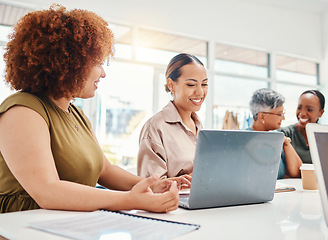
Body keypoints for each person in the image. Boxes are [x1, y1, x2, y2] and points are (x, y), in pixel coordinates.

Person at [0, 5, 189, 213]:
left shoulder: (76, 114)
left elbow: (105, 170)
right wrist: (131, 200)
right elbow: (47, 191)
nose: (103, 73)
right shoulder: (22, 111)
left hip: (67, 224)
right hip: (22, 225)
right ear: (69, 64)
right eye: (98, 63)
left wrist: (154, 185)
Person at [137, 53, 208, 179]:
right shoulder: (155, 128)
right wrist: (193, 178)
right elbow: (152, 186)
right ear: (171, 85)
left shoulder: (198, 125)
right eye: (191, 85)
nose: (200, 92)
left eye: (204, 84)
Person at [248, 88, 302, 178]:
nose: (283, 118)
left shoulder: (277, 137)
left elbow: (297, 172)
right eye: (280, 114)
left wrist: (286, 144)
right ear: (262, 116)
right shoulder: (245, 140)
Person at [280, 90, 325, 164]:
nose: (302, 113)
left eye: (309, 110)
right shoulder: (284, 134)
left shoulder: (326, 137)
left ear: (321, 113)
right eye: (299, 108)